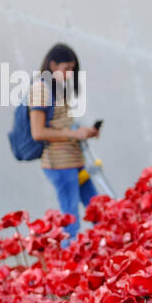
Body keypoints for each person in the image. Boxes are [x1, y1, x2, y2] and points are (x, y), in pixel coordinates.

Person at [29, 43, 100, 246]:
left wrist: (84, 132)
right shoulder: (41, 89)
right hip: (59, 164)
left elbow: (61, 124)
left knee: (97, 210)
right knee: (71, 223)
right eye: (66, 69)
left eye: (72, 69)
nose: (69, 74)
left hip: (74, 161)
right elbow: (38, 132)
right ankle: (69, 267)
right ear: (52, 65)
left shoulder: (57, 90)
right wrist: (74, 133)